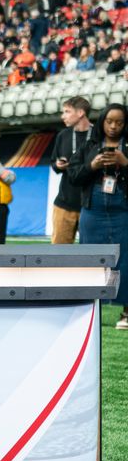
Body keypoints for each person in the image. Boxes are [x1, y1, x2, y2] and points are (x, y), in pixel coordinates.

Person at [67, 103, 128, 329]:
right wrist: (92, 166)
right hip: (92, 210)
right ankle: (90, 310)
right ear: (102, 122)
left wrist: (125, 163)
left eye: (119, 122)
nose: (113, 126)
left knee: (126, 259)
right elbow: (73, 176)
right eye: (109, 121)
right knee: (90, 259)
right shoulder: (88, 146)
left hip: (123, 210)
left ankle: (126, 313)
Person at [50, 96, 92, 243]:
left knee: (92, 254)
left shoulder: (97, 136)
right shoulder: (63, 135)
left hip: (90, 206)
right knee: (58, 256)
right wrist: (58, 165)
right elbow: (53, 163)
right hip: (64, 204)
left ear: (80, 113)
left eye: (67, 111)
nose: (63, 116)